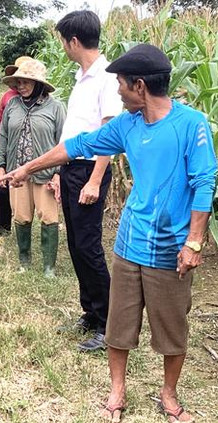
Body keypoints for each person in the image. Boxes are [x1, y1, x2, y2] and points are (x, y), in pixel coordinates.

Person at [0, 44, 217, 423]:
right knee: (119, 323)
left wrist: (194, 241)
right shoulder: (127, 124)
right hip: (130, 243)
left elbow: (203, 182)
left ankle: (169, 394)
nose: (116, 90)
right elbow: (77, 146)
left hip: (170, 247)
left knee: (172, 327)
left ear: (140, 86)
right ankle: (117, 391)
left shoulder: (191, 124)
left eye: (120, 83)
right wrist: (28, 168)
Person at [53, 11, 123, 353]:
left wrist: (94, 180)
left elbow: (108, 134)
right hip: (71, 169)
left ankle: (109, 323)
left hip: (89, 171)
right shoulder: (81, 77)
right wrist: (58, 172)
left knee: (89, 246)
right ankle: (91, 313)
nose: (63, 47)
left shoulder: (107, 78)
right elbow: (74, 130)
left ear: (74, 41)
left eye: (63, 41)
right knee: (76, 245)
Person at [0, 59, 66, 278]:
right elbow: (3, 136)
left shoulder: (55, 107)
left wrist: (58, 173)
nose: (21, 86)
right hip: (18, 173)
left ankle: (49, 267)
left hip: (45, 174)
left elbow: (64, 142)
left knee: (49, 217)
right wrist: (0, 165)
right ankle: (24, 260)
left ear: (39, 84)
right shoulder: (13, 106)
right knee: (22, 216)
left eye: (26, 82)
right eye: (19, 82)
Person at [0, 56, 33, 238]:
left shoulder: (44, 99)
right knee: (3, 187)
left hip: (31, 153)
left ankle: (24, 223)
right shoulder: (8, 98)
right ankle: (4, 229)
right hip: (9, 149)